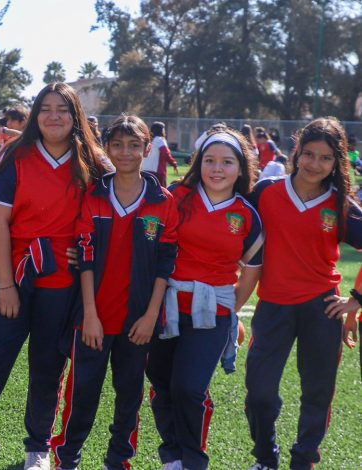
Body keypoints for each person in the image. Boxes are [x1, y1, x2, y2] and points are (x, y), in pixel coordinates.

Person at [0, 82, 106, 470]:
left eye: (62, 109)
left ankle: (37, 448)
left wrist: (88, 250)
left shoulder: (91, 160)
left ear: (75, 114)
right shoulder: (16, 155)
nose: (54, 116)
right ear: (35, 114)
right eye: (46, 108)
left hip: (63, 283)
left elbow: (114, 209)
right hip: (16, 279)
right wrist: (6, 284)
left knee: (48, 368)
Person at [50, 114, 178, 470]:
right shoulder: (94, 195)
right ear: (106, 148)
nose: (125, 152)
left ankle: (119, 459)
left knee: (129, 395)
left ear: (147, 149)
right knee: (82, 393)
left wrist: (151, 316)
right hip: (94, 317)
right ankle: (67, 457)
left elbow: (165, 264)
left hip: (138, 321)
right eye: (118, 145)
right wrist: (90, 315)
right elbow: (85, 257)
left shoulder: (162, 201)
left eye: (134, 145)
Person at [244, 117, 362, 470]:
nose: (314, 164)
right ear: (297, 152)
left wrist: (355, 300)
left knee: (317, 392)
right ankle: (266, 457)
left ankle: (304, 459)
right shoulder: (266, 191)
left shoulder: (341, 205)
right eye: (309, 154)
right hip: (273, 306)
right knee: (260, 393)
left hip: (322, 309)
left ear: (336, 162)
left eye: (325, 158)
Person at [146, 129, 262, 470]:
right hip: (165, 306)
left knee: (189, 387)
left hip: (212, 314)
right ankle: (172, 456)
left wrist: (230, 309)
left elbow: (253, 269)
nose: (217, 169)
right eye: (209, 160)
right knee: (161, 382)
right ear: (199, 164)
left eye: (227, 162)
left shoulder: (246, 213)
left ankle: (194, 460)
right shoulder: (177, 196)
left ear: (240, 169)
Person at [144, 121, 178, 186]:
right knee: (161, 191)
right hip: (157, 172)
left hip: (144, 171)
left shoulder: (147, 140)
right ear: (162, 130)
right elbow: (166, 153)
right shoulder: (160, 140)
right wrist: (173, 163)